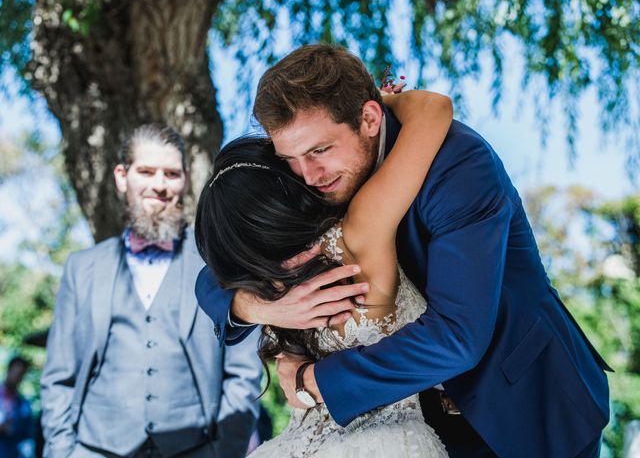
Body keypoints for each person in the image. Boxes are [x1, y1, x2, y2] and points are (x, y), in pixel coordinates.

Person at [196, 44, 612, 458]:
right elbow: (223, 264)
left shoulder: (460, 167)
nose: (307, 174)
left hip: (526, 407)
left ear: (370, 118)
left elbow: (458, 337)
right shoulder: (316, 177)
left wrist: (316, 381)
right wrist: (258, 308)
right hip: (409, 430)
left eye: (320, 150)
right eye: (292, 158)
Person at [196, 88, 452, 456]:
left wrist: (255, 307)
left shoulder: (265, 283)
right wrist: (375, 103)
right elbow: (433, 108)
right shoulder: (360, 231)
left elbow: (210, 279)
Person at [41, 124, 262, 458]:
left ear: (185, 180)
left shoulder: (220, 259)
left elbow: (243, 372)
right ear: (121, 176)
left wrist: (223, 452)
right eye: (146, 171)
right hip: (94, 449)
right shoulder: (81, 268)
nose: (159, 185)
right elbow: (59, 379)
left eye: (171, 174)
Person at [0, 356, 32, 458]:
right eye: (16, 373)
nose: (17, 378)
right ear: (9, 370)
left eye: (21, 375)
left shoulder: (23, 403)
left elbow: (27, 434)